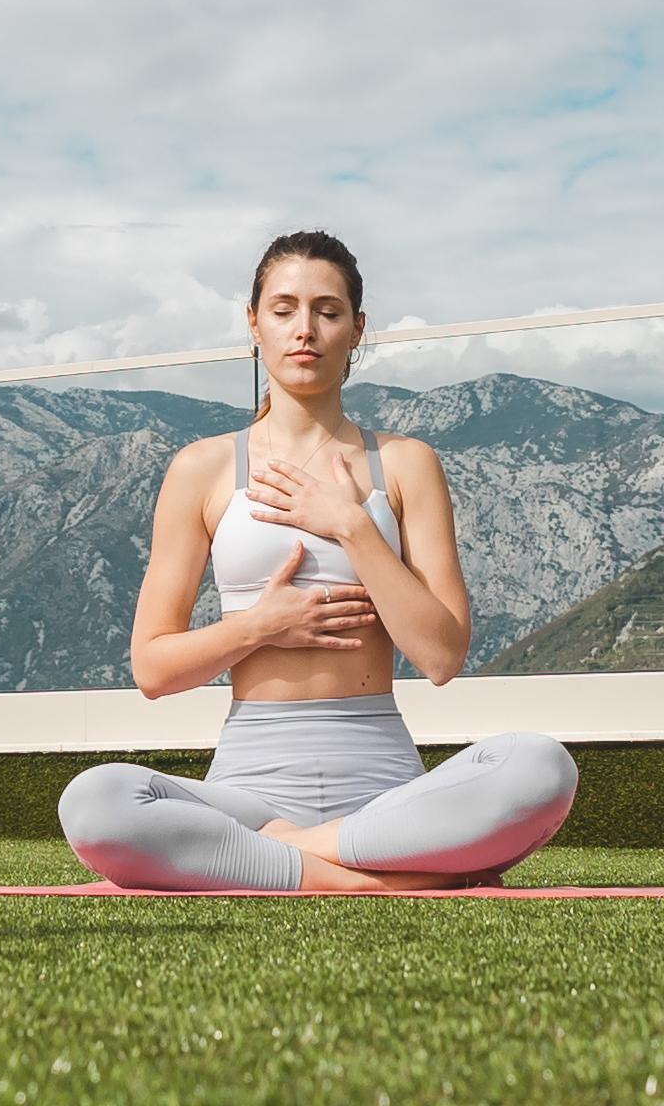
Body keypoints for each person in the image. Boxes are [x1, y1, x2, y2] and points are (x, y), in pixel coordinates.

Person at [54, 234, 584, 892]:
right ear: (253, 323)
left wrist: (352, 526)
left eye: (328, 312)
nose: (304, 330)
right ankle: (377, 881)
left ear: (357, 330)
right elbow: (153, 668)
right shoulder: (202, 470)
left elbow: (442, 656)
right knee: (95, 801)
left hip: (384, 795)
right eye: (283, 310)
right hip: (247, 796)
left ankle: (272, 862)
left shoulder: (405, 464)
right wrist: (259, 626)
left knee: (540, 767)